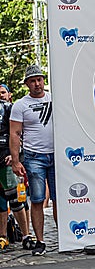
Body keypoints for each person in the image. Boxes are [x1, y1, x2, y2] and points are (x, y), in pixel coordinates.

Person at [9, 65, 56, 256]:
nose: (37, 84)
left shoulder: (55, 98)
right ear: (27, 84)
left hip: (58, 154)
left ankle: (66, 240)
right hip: (34, 156)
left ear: (44, 80)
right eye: (33, 81)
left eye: (39, 79)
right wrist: (15, 160)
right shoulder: (20, 105)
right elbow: (15, 133)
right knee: (37, 199)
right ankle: (40, 241)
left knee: (60, 200)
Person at [0, 85, 35, 251]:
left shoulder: (8, 108)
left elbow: (16, 132)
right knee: (1, 200)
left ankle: (26, 235)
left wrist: (14, 155)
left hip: (6, 158)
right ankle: (3, 236)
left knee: (15, 198)